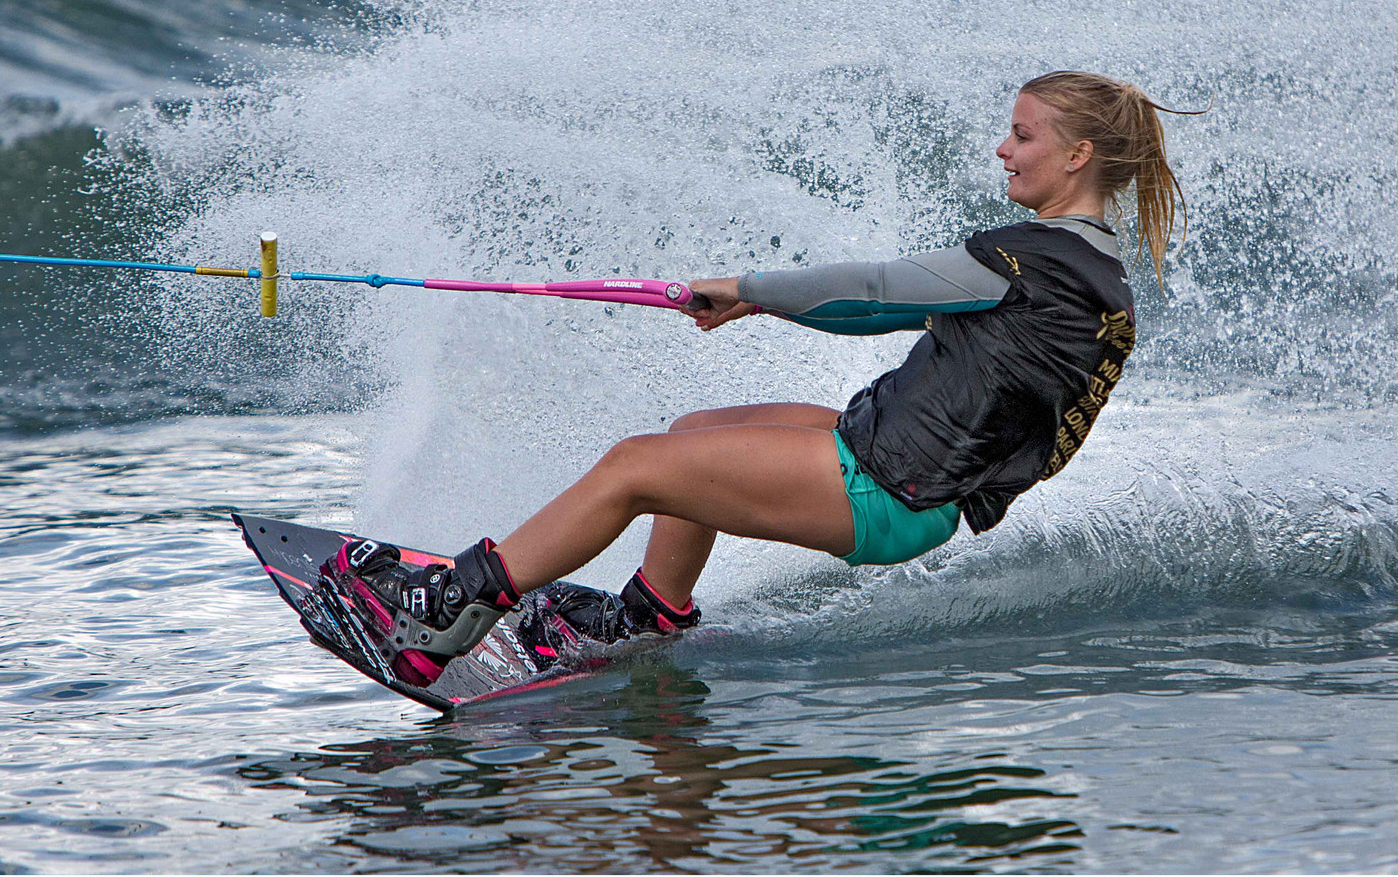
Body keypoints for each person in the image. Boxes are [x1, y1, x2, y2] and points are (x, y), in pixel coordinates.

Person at [331, 71, 1196, 684]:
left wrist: (746, 289)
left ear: (1079, 154)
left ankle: (445, 611)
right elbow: (920, 340)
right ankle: (645, 617)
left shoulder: (1030, 261)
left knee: (635, 468)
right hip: (895, 456)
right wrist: (758, 307)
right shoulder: (1095, 280)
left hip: (891, 486)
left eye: (1023, 134)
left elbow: (877, 290)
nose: (1003, 149)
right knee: (692, 438)